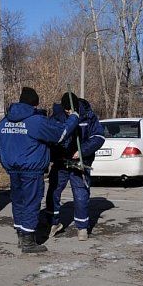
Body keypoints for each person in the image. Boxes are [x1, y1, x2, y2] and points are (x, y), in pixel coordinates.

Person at [0, 87, 79, 253]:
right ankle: (28, 241)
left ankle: (21, 234)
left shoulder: (4, 122)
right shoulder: (36, 121)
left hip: (13, 170)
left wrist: (6, 165)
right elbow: (60, 134)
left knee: (18, 202)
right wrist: (74, 119)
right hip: (31, 170)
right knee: (31, 203)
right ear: (35, 104)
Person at [45, 92, 105, 241]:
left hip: (80, 162)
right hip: (61, 162)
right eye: (65, 110)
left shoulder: (88, 115)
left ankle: (82, 227)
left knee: (80, 193)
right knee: (53, 191)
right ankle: (53, 223)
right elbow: (51, 137)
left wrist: (82, 151)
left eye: (70, 110)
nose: (68, 112)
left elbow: (99, 137)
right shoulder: (57, 116)